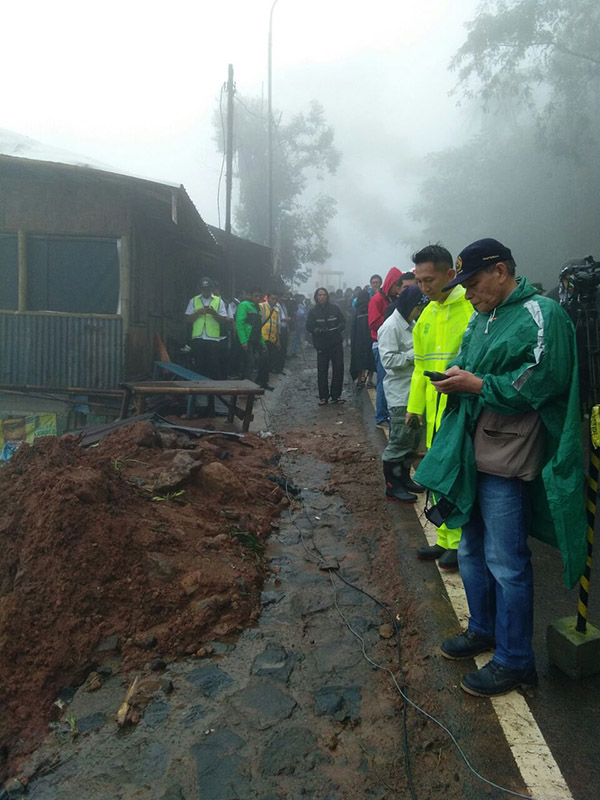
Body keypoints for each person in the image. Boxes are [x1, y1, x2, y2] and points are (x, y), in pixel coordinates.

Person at [414, 238, 587, 697]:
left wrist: (476, 385)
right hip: (471, 453)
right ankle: (483, 629)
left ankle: (515, 661)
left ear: (501, 271)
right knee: (471, 550)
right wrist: (455, 376)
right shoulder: (482, 317)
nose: (468, 292)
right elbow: (468, 362)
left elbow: (543, 380)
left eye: (473, 282)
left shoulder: (542, 313)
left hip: (509, 458)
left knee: (506, 561)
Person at [406, 245, 473, 570]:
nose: (424, 287)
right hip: (434, 414)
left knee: (457, 476)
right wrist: (414, 407)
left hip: (461, 411)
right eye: (419, 281)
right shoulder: (426, 316)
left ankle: (460, 544)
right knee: (438, 476)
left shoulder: (471, 309)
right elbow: (420, 367)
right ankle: (445, 538)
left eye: (429, 280)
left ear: (450, 274)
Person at [378, 286, 428, 502]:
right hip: (400, 394)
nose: (419, 312)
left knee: (412, 440)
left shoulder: (412, 324)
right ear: (409, 305)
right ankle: (392, 485)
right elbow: (388, 360)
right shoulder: (391, 327)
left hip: (414, 393)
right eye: (418, 308)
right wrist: (413, 355)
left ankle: (404, 478)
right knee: (399, 442)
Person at [368, 267, 403, 427]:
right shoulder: (377, 300)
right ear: (391, 284)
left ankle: (386, 414)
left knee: (389, 380)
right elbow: (373, 323)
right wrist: (391, 317)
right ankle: (381, 416)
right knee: (383, 381)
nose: (398, 289)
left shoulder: (390, 298)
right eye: (397, 285)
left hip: (390, 342)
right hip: (380, 344)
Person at [305, 287, 346, 405]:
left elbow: (343, 321)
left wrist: (340, 327)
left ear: (327, 296)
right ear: (316, 297)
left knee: (338, 369)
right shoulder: (313, 311)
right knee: (322, 371)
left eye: (324, 295)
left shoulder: (335, 308)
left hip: (336, 343)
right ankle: (323, 397)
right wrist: (317, 330)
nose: (322, 297)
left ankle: (336, 395)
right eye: (320, 295)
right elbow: (309, 326)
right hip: (321, 345)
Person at [185, 276, 229, 379]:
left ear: (212, 289)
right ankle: (199, 387)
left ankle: (213, 388)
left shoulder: (219, 301)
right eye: (204, 289)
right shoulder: (193, 300)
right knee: (199, 365)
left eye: (208, 289)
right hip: (198, 338)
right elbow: (188, 319)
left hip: (213, 339)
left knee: (213, 365)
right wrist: (198, 312)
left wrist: (213, 313)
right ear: (199, 289)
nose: (206, 291)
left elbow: (223, 320)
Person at [236, 289, 272, 390]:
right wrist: (243, 341)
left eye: (259, 296)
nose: (258, 298)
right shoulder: (244, 305)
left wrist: (262, 342)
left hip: (256, 339)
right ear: (250, 295)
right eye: (256, 296)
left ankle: (260, 383)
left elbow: (258, 328)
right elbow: (240, 324)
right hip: (248, 340)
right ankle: (247, 389)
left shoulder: (258, 308)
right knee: (249, 365)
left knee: (263, 360)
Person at [349, 289, 375, 389]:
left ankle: (360, 380)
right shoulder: (371, 309)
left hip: (358, 340)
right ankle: (370, 380)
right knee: (371, 360)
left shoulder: (356, 311)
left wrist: (352, 342)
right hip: (371, 339)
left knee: (359, 360)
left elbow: (353, 328)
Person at [259, 292, 281, 376]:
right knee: (263, 360)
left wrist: (278, 341)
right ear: (267, 298)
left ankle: (265, 378)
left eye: (276, 299)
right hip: (263, 338)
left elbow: (277, 326)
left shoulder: (276, 310)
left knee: (269, 361)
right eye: (272, 299)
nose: (274, 301)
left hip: (272, 339)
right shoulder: (262, 307)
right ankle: (261, 379)